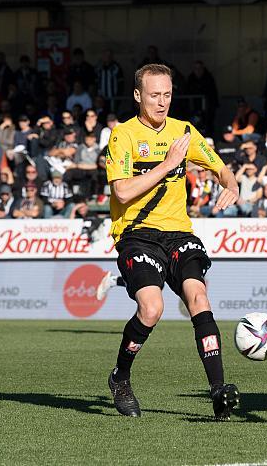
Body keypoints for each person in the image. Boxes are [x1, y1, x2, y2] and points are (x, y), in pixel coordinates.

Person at [105, 63, 240, 420]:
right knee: (152, 309)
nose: (162, 102)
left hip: (179, 232)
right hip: (137, 234)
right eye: (154, 95)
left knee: (199, 297)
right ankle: (120, 377)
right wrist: (167, 165)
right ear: (138, 96)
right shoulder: (124, 135)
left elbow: (218, 165)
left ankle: (218, 391)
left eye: (167, 94)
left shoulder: (184, 131)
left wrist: (231, 183)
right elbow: (122, 189)